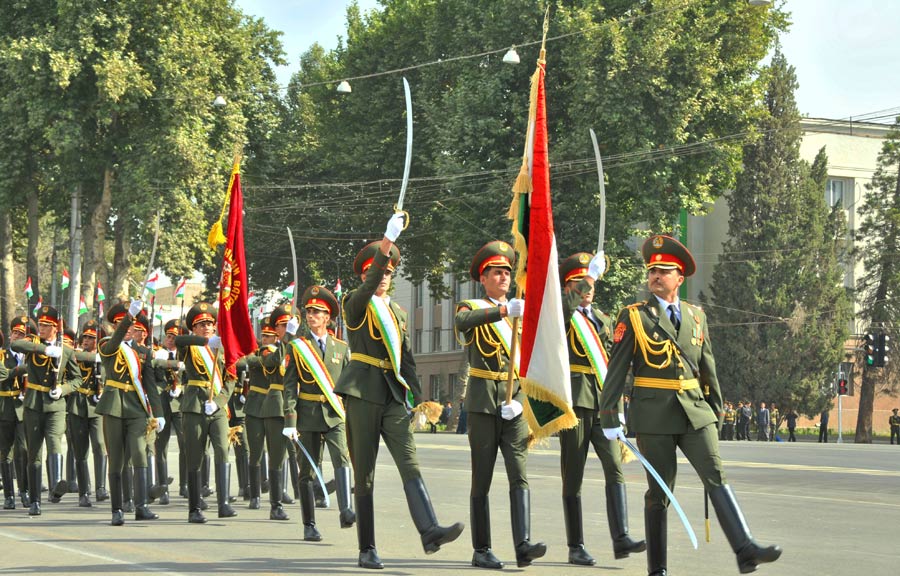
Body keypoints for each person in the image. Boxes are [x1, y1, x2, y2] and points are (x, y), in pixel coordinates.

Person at [599, 234, 781, 575]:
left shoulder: (696, 317)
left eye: (664, 271)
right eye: (652, 270)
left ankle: (745, 549)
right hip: (654, 415)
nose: (656, 276)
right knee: (660, 491)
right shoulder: (634, 316)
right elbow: (616, 369)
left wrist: (716, 410)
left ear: (679, 279)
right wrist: (610, 414)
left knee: (716, 475)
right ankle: (658, 569)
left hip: (695, 411)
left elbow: (707, 366)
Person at [335, 214, 464, 569]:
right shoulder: (355, 303)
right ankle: (367, 547)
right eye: (378, 272)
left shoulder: (398, 312)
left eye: (390, 273)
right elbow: (366, 286)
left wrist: (417, 396)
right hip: (362, 392)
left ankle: (429, 530)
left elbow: (406, 358)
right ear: (364, 275)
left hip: (392, 395)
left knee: (410, 462)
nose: (383, 277)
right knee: (365, 472)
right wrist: (387, 241)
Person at [454, 240, 546, 569]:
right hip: (482, 404)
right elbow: (464, 324)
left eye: (507, 272)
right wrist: (503, 310)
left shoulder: (519, 315)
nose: (504, 277)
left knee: (519, 475)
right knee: (482, 478)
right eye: (497, 272)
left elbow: (527, 362)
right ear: (484, 277)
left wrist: (521, 401)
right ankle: (482, 549)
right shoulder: (471, 306)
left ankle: (523, 544)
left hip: (513, 405)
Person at [557, 251, 645, 566]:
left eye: (591, 281)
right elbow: (562, 313)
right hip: (576, 403)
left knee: (614, 467)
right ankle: (575, 545)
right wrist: (591, 274)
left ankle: (621, 538)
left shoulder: (605, 319)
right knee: (574, 475)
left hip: (603, 403)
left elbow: (612, 362)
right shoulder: (562, 313)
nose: (588, 287)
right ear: (570, 287)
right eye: (581, 282)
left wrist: (618, 404)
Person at [282, 285, 355, 542]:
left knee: (342, 459)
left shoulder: (341, 347)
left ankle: (346, 509)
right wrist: (290, 420)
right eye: (308, 311)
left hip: (335, 414)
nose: (311, 315)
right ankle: (309, 524)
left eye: (317, 312)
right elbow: (289, 387)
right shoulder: (297, 347)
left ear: (327, 317)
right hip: (308, 415)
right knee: (307, 472)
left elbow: (349, 385)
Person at [95, 302, 165, 525]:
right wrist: (129, 316)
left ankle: (141, 505)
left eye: (130, 325)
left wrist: (159, 413)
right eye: (121, 324)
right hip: (114, 405)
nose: (126, 329)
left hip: (137, 408)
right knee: (116, 459)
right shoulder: (107, 344)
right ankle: (117, 509)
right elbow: (113, 344)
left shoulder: (141, 353)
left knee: (139, 452)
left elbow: (150, 384)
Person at [10, 306, 82, 515]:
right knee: (34, 453)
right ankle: (34, 501)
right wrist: (45, 350)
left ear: (55, 328)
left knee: (54, 441)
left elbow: (77, 379)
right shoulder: (33, 345)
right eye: (40, 324)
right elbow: (16, 343)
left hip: (56, 406)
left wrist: (63, 389)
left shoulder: (67, 351)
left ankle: (56, 487)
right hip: (33, 404)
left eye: (45, 325)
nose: (41, 328)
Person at [175, 302, 237, 523]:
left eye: (210, 324)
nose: (206, 327)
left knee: (222, 449)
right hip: (194, 405)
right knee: (195, 455)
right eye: (201, 325)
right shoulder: (191, 346)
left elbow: (231, 378)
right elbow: (178, 340)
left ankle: (223, 503)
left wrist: (219, 401)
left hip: (217, 407)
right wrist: (204, 342)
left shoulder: (223, 347)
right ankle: (194, 507)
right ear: (194, 328)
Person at [240, 315, 290, 520]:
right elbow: (246, 361)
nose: (267, 340)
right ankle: (255, 495)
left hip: (275, 406)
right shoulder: (257, 355)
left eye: (271, 336)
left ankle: (278, 498)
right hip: (255, 407)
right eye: (265, 336)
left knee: (278, 453)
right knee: (256, 451)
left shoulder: (283, 353)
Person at [68, 320, 106, 508]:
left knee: (100, 445)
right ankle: (84, 492)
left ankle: (100, 487)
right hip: (78, 404)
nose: (86, 340)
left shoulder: (104, 356)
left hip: (96, 405)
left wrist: (101, 359)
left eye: (91, 338)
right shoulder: (76, 354)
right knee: (80, 450)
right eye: (85, 337)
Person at [152, 319, 187, 504]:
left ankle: (185, 485)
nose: (170, 339)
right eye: (168, 336)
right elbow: (154, 378)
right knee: (161, 445)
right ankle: (162, 486)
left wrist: (182, 387)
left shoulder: (187, 355)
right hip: (163, 403)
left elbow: (192, 379)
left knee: (185, 444)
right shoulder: (159, 355)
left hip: (180, 404)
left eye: (174, 336)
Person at [1, 318, 31, 509]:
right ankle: (9, 496)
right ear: (10, 335)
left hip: (23, 410)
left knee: (24, 451)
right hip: (4, 407)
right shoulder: (2, 355)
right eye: (16, 333)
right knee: (5, 454)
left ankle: (24, 491)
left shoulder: (30, 356)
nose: (18, 337)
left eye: (22, 335)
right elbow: (2, 374)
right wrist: (21, 370)